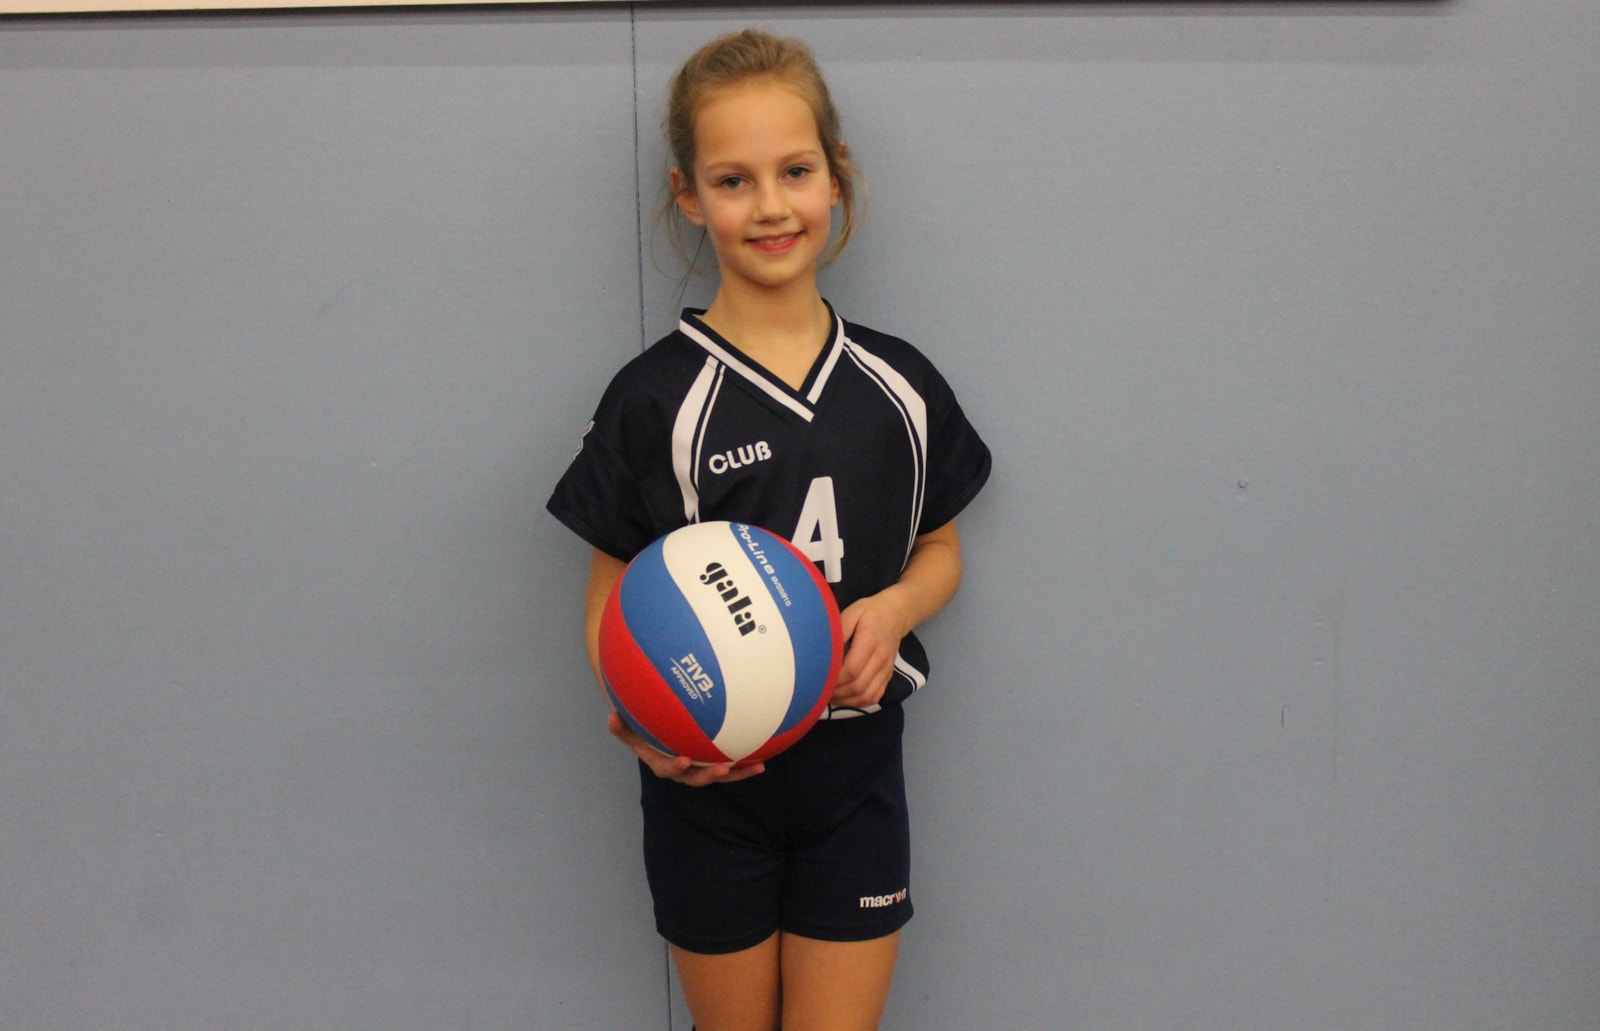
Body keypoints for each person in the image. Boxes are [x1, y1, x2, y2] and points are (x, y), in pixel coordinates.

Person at [547, 27, 991, 1031]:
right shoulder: (654, 399)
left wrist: (893, 608)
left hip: (856, 770)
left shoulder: (899, 383)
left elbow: (942, 551)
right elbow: (612, 588)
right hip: (713, 782)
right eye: (732, 180)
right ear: (688, 195)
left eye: (794, 171)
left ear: (835, 176)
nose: (771, 205)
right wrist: (646, 720)